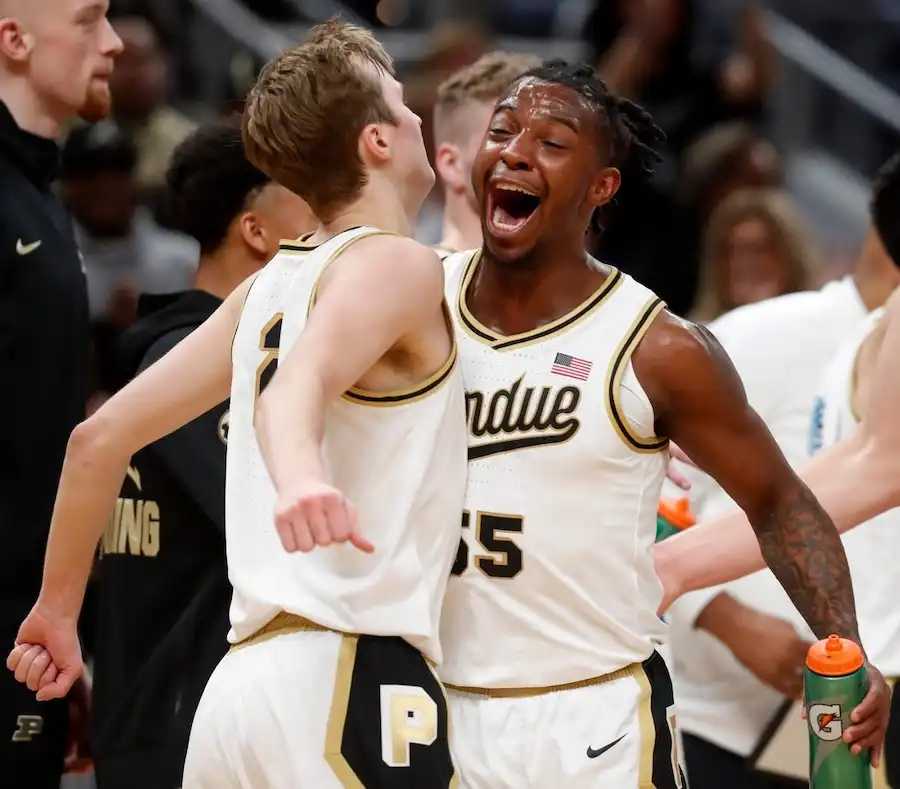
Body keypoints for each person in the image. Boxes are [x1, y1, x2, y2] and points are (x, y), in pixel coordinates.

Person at [6, 19, 466, 789]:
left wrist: (56, 613)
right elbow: (296, 389)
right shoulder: (397, 262)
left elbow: (98, 437)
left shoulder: (263, 288)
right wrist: (300, 478)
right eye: (399, 100)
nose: (418, 113)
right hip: (347, 672)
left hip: (236, 697)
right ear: (378, 142)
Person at [438, 59, 890, 789]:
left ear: (601, 187)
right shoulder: (412, 306)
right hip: (436, 702)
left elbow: (779, 501)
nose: (517, 150)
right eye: (502, 130)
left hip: (589, 716)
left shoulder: (658, 347)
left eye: (552, 143)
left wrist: (844, 641)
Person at [89, 119, 315, 789]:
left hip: (178, 720)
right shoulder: (195, 365)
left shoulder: (178, 359)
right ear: (257, 229)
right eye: (309, 197)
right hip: (179, 726)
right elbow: (284, 535)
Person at [665, 154, 900, 789]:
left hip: (842, 705)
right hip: (722, 714)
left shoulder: (867, 335)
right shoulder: (765, 334)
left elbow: (823, 492)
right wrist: (711, 608)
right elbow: (651, 487)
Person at [0, 1, 122, 786]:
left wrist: (58, 617)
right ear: (14, 38)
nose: (110, 43)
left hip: (29, 632)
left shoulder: (40, 187)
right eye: (89, 20)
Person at [432, 51, 540, 256]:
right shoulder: (411, 280)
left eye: (545, 142)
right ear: (451, 163)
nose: (525, 156)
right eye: (503, 134)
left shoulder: (583, 282)